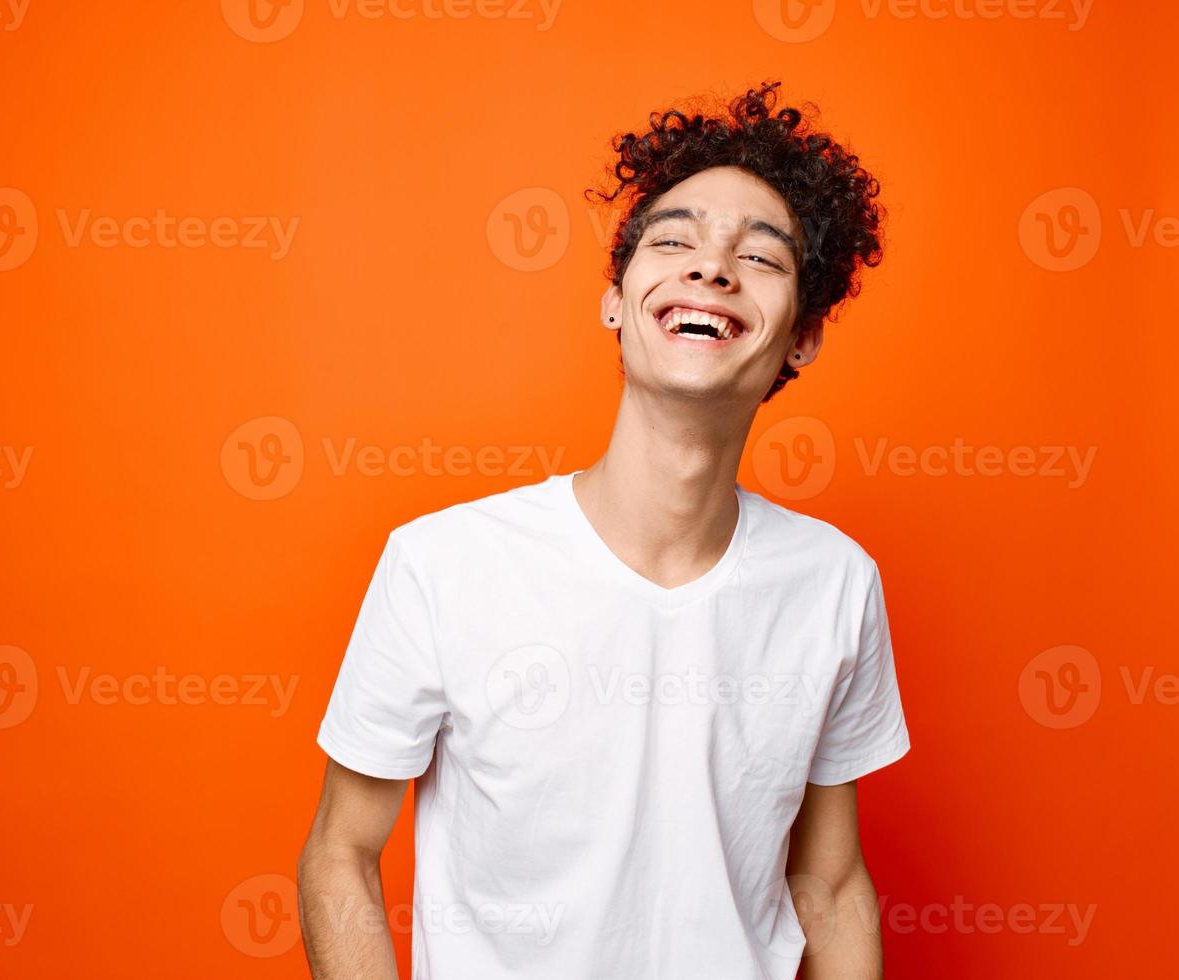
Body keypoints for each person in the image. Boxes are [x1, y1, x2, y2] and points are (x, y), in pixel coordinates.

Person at [297, 79, 909, 980]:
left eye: (761, 257)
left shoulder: (834, 582)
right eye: (674, 241)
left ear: (802, 338)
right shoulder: (442, 563)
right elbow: (339, 853)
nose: (711, 267)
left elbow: (830, 881)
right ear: (616, 301)